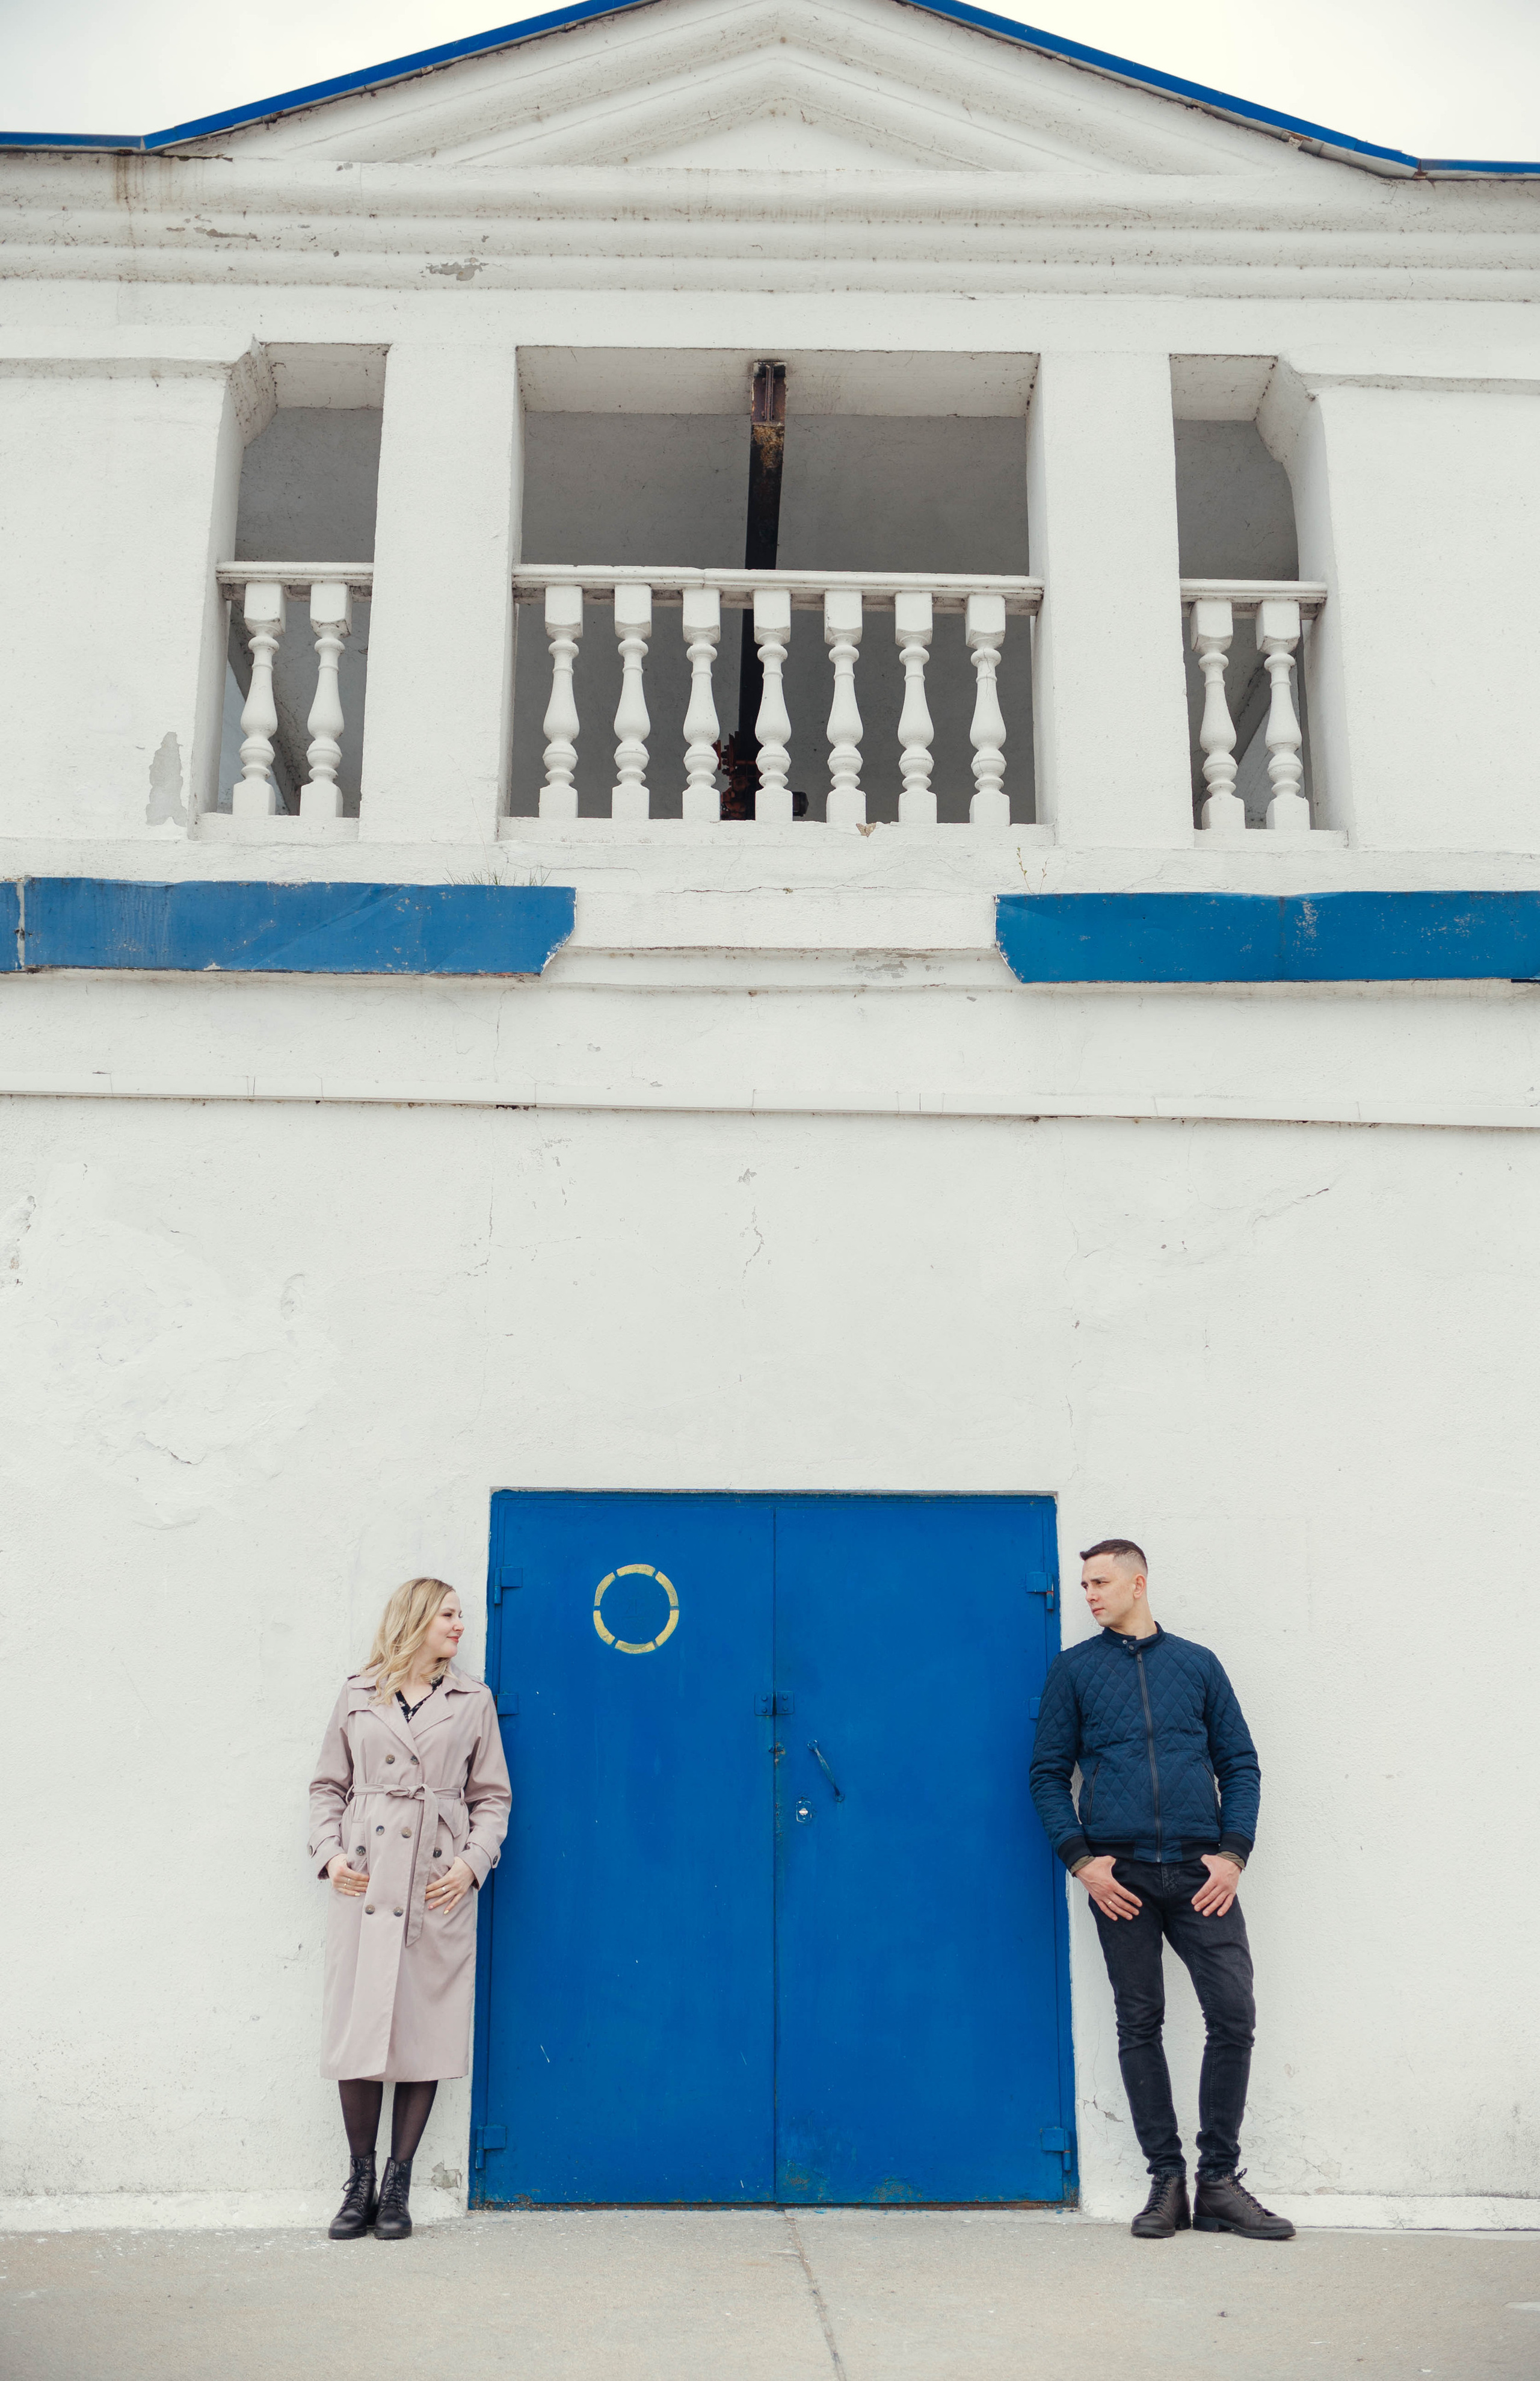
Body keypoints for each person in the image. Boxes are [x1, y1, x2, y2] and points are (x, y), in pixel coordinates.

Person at [1029, 1539, 1294, 2243]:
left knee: (1232, 2015)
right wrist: (1082, 1861)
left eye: (1100, 1582)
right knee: (1138, 2022)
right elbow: (1047, 1774)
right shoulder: (1073, 1672)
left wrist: (1233, 1855)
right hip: (1122, 1879)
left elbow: (1239, 1763)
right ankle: (1165, 2182)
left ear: (1138, 1584)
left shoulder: (1197, 1665)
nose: (1088, 1594)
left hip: (1200, 1873)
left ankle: (1219, 2183)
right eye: (1083, 1584)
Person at [308, 1577, 511, 2241]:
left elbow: (493, 1797)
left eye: (461, 1616)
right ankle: (358, 2182)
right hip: (365, 1887)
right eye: (449, 1615)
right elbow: (326, 1785)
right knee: (358, 2033)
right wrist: (332, 1855)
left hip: (434, 1885)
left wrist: (470, 1865)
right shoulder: (358, 1692)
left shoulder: (472, 1699)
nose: (460, 1626)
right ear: (418, 1619)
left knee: (425, 2031)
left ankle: (399, 2187)